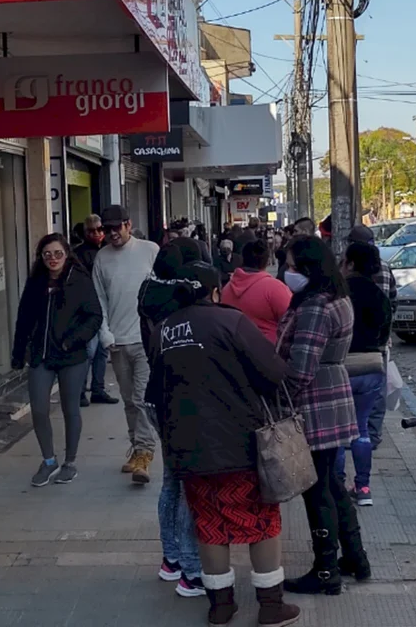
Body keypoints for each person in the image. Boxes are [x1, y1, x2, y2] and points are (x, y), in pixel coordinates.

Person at [146, 265, 301, 627]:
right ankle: (271, 605)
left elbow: (153, 393)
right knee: (261, 522)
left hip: (187, 449)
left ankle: (220, 606)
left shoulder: (163, 330)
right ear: (214, 292)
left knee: (209, 524)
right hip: (239, 444)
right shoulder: (232, 322)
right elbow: (274, 373)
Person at [277, 235, 370, 595]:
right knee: (331, 483)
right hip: (332, 393)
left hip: (314, 400)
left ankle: (326, 569)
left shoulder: (315, 306)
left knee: (316, 489)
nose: (287, 272)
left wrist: (281, 399)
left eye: (291, 266)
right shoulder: (337, 297)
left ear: (309, 268)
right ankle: (355, 557)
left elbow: (301, 368)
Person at [138, 244, 205, 598]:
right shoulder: (181, 301)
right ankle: (190, 569)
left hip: (155, 393)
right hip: (180, 399)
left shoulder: (148, 294)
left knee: (170, 481)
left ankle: (171, 559)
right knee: (184, 484)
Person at [12, 234, 103, 487]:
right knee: (39, 409)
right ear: (41, 258)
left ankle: (70, 462)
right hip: (41, 356)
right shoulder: (35, 283)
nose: (53, 259)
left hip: (71, 356)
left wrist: (71, 341)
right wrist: (18, 353)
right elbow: (24, 319)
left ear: (67, 254)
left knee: (70, 408)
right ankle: (48, 460)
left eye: (58, 253)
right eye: (47, 254)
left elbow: (94, 316)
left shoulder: (79, 281)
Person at [93, 205, 160, 484]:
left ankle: (145, 451)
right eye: (106, 229)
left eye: (116, 228)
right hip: (117, 342)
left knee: (142, 398)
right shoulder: (102, 258)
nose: (112, 234)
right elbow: (99, 300)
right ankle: (136, 448)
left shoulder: (150, 250)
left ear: (128, 225)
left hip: (145, 340)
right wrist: (105, 335)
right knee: (129, 401)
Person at [336, 242, 391, 507]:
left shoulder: (339, 293)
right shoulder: (379, 295)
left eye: (344, 259)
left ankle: (337, 484)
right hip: (371, 366)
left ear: (351, 263)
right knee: (361, 428)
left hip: (341, 367)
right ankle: (364, 487)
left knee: (337, 432)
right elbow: (384, 334)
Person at [348, 224, 397, 452]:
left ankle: (354, 435)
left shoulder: (344, 281)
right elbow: (392, 306)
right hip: (377, 347)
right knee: (376, 395)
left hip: (349, 349)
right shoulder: (385, 272)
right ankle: (371, 435)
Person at [74, 214, 119, 408]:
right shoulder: (79, 254)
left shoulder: (110, 251)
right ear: (85, 233)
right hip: (89, 309)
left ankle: (98, 390)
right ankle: (80, 392)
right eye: (92, 231)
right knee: (90, 351)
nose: (97, 234)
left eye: (100, 230)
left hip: (107, 306)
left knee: (101, 351)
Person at [221, 240, 292, 344]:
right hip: (268, 352)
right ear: (267, 261)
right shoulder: (275, 288)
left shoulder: (226, 289)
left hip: (234, 350)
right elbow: (292, 321)